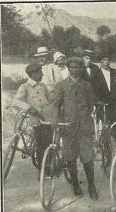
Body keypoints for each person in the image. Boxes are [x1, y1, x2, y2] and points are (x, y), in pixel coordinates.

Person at [50, 57, 98, 201]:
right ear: (68, 69)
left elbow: (90, 105)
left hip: (84, 127)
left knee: (88, 158)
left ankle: (91, 186)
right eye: (72, 67)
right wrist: (56, 121)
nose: (75, 69)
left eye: (78, 67)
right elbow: (55, 105)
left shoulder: (87, 85)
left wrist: (84, 116)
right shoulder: (62, 85)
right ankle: (75, 184)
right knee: (70, 158)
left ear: (82, 69)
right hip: (69, 128)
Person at [12, 63, 54, 179]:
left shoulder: (43, 86)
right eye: (40, 72)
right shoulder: (25, 87)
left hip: (48, 119)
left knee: (50, 143)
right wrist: (29, 108)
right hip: (37, 121)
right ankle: (42, 171)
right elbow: (16, 101)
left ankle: (48, 166)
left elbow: (50, 100)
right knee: (41, 146)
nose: (42, 74)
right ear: (33, 74)